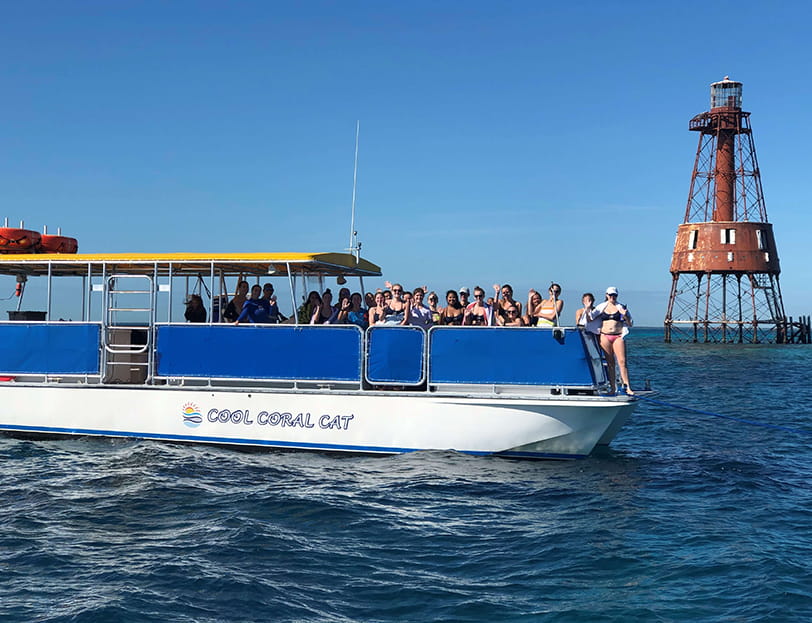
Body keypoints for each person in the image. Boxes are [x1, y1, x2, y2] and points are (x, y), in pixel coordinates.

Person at [589, 286, 634, 395]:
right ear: (606, 295)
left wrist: (624, 315)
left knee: (622, 362)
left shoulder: (621, 307)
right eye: (610, 295)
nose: (612, 297)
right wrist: (587, 308)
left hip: (618, 336)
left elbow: (630, 323)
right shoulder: (601, 307)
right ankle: (613, 388)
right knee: (610, 363)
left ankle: (627, 386)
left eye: (614, 295)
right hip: (605, 336)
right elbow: (590, 317)